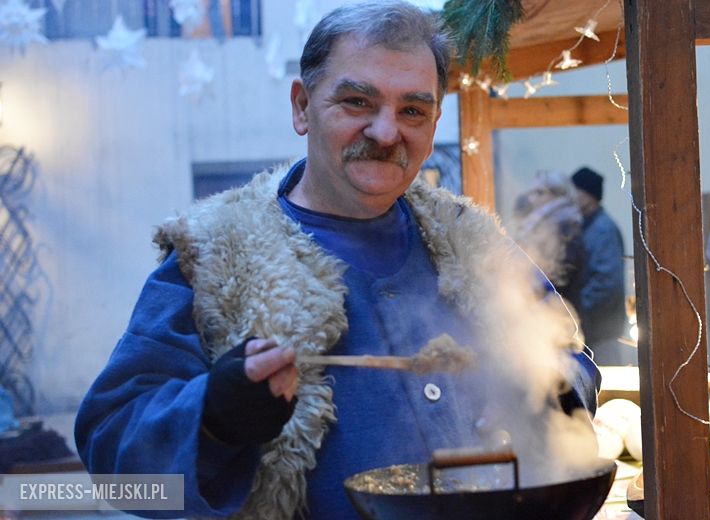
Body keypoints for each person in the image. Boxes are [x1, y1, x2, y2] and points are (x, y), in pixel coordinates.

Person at [75, 3, 601, 519]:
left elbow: (569, 357)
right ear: (302, 107)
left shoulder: (475, 242)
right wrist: (213, 418)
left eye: (412, 110)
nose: (386, 132)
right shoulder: (212, 254)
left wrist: (553, 390)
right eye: (356, 101)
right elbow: (115, 457)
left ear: (436, 118)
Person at [570, 166, 631, 365]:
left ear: (589, 195)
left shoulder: (602, 230)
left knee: (604, 388)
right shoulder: (588, 226)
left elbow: (607, 281)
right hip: (592, 329)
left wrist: (574, 310)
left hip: (600, 332)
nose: (571, 197)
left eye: (576, 191)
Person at [512, 171, 586, 312]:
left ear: (557, 194)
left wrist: (535, 292)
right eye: (531, 193)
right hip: (541, 304)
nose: (531, 199)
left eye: (539, 192)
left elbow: (562, 274)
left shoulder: (566, 225)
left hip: (558, 309)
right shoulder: (540, 222)